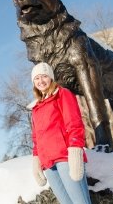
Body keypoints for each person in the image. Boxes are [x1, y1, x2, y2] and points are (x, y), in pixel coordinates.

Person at [30, 62, 92, 204]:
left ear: (51, 77)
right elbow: (36, 138)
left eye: (44, 76)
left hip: (65, 158)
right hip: (48, 164)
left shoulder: (62, 94)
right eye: (37, 78)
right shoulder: (36, 107)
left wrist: (76, 152)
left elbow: (74, 123)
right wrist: (36, 161)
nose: (41, 81)